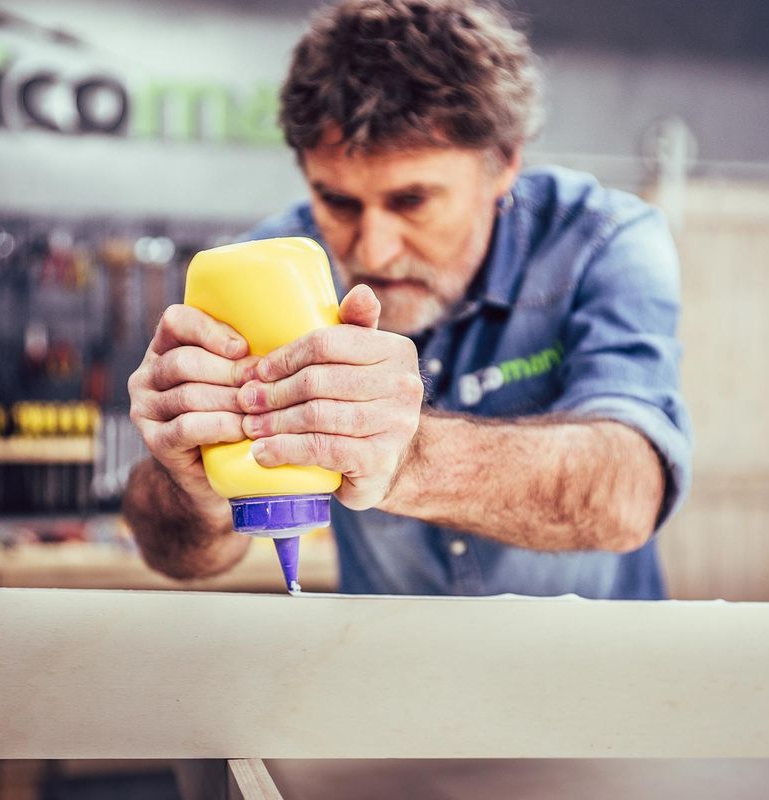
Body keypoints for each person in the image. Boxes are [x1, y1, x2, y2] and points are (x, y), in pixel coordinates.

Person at [123, 0, 691, 598]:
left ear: (505, 163)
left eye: (411, 201)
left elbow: (631, 493)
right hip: (380, 679)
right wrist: (190, 484)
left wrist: (409, 456)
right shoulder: (271, 267)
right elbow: (180, 559)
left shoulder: (603, 242)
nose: (375, 249)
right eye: (338, 202)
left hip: (591, 680)